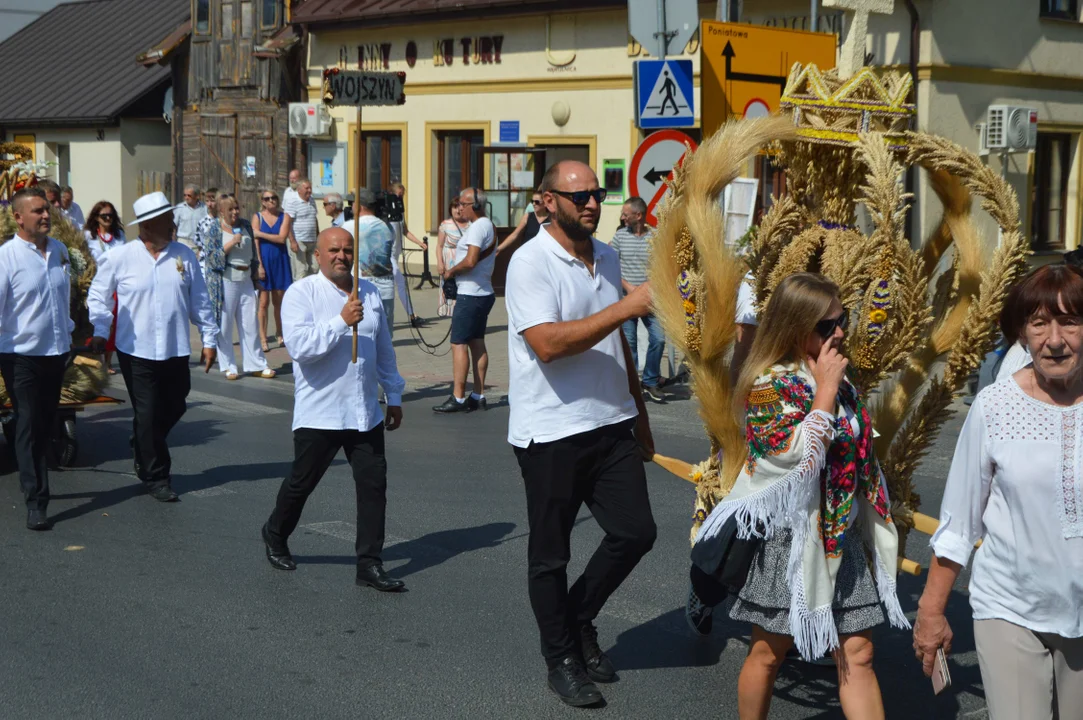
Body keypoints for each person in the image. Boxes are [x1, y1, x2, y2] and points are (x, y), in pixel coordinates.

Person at [691, 272, 908, 720]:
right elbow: (797, 459)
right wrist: (825, 391)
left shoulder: (839, 379)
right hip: (788, 543)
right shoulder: (771, 383)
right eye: (827, 326)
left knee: (859, 655)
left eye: (841, 320)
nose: (840, 333)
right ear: (794, 327)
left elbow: (856, 450)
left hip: (837, 538)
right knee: (768, 655)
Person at [504, 160, 657, 707]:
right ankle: (561, 658)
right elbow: (547, 344)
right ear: (548, 202)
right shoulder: (529, 263)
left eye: (599, 192)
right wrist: (625, 307)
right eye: (579, 196)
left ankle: (578, 618)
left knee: (636, 533)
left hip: (611, 421)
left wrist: (640, 415)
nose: (593, 202)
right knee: (550, 556)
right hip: (551, 431)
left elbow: (619, 346)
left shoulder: (609, 256)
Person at [913, 264, 1083, 720]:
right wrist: (931, 612)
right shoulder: (996, 406)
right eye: (1039, 323)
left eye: (1070, 321)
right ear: (1022, 333)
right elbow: (959, 521)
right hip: (1009, 605)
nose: (1054, 339)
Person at [261, 227, 406, 593]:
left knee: (373, 486)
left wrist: (394, 394)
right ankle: (275, 532)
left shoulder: (368, 291)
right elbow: (300, 348)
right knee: (302, 482)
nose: (342, 256)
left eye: (347, 249)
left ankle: (369, 563)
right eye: (334, 250)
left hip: (364, 412)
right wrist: (341, 320)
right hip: (321, 412)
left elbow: (383, 349)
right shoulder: (301, 293)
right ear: (319, 255)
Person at [88, 191, 217, 503]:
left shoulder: (183, 255)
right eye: (166, 219)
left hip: (175, 349)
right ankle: (157, 476)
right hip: (136, 351)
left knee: (174, 406)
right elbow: (98, 296)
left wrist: (210, 339)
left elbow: (199, 299)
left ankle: (142, 441)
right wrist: (101, 330)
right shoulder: (120, 256)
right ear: (147, 226)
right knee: (147, 414)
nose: (173, 223)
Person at [0, 187, 74, 531]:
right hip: (20, 356)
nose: (46, 216)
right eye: (37, 211)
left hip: (55, 353)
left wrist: (72, 337)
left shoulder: (60, 251)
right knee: (29, 422)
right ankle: (36, 499)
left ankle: (32, 479)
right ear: (18, 217)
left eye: (47, 210)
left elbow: (63, 299)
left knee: (44, 423)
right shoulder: (6, 258)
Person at [432, 187, 497, 413]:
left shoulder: (479, 227)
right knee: (476, 342)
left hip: (471, 293)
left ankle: (458, 397)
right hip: (481, 292)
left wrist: (450, 272)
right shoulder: (484, 225)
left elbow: (470, 261)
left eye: (463, 203)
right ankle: (477, 395)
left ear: (475, 206)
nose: (460, 207)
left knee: (458, 343)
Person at [204, 194, 274, 381]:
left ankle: (257, 364)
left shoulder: (245, 225)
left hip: (245, 280)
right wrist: (231, 243)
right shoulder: (214, 229)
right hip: (226, 280)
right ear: (221, 211)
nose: (235, 212)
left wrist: (256, 270)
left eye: (236, 208)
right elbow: (212, 259)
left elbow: (252, 253)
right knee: (225, 325)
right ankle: (228, 365)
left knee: (250, 323)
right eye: (230, 209)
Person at [611, 196, 666, 403]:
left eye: (626, 214)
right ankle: (633, 385)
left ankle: (650, 380)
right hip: (626, 298)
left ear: (638, 215)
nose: (623, 218)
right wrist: (629, 288)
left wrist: (648, 288)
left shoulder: (656, 237)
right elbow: (612, 266)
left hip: (651, 299)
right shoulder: (619, 237)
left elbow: (662, 266)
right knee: (630, 342)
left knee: (659, 338)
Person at [83, 201, 127, 374]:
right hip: (95, 283)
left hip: (116, 284)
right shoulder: (88, 236)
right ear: (96, 218)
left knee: (113, 322)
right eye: (104, 216)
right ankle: (96, 358)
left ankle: (107, 361)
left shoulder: (119, 235)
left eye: (110, 215)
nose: (108, 218)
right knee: (97, 318)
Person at [345, 189, 397, 328]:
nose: (351, 207)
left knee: (364, 332)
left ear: (359, 205)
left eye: (352, 203)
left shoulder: (352, 225)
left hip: (363, 287)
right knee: (385, 334)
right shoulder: (388, 227)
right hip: (386, 286)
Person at [252, 188, 292, 352]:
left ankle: (279, 332)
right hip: (264, 260)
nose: (271, 201)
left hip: (280, 260)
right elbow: (255, 243)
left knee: (279, 301)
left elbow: (282, 238)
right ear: (262, 202)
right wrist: (259, 265)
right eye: (267, 199)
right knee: (263, 302)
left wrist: (260, 233)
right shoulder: (257, 217)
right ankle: (262, 338)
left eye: (274, 197)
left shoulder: (285, 216)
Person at [388, 182, 428, 327]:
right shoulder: (386, 212)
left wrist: (419, 243)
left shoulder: (400, 212)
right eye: (398, 195)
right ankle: (413, 316)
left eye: (402, 195)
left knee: (394, 286)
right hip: (387, 256)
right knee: (401, 283)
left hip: (396, 254)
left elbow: (405, 231)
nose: (400, 199)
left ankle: (407, 316)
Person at [436, 199, 469, 317]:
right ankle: (450, 311)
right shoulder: (445, 224)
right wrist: (440, 263)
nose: (457, 210)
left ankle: (462, 310)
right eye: (454, 207)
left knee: (464, 285)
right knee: (450, 285)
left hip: (464, 259)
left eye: (459, 207)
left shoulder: (470, 224)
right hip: (449, 259)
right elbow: (439, 246)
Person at [283, 178, 317, 281]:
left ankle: (312, 292)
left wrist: (318, 235)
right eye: (307, 188)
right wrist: (292, 241)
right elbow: (288, 222)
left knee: (315, 268)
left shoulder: (312, 200)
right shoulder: (293, 201)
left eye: (310, 188)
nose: (309, 191)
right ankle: (299, 294)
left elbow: (314, 218)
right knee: (301, 271)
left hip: (312, 240)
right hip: (299, 240)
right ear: (299, 190)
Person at [495, 186, 548, 253]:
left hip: (542, 255)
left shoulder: (551, 219)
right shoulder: (528, 216)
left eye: (537, 202)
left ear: (545, 203)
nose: (534, 204)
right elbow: (515, 234)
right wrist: (499, 249)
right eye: (532, 201)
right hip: (527, 253)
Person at [173, 184, 207, 258]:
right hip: (183, 242)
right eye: (185, 195)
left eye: (189, 195)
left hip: (198, 244)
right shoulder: (179, 208)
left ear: (196, 196)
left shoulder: (204, 208)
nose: (186, 197)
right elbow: (173, 227)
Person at [192, 187, 219, 267]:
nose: (209, 204)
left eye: (212, 201)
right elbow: (199, 245)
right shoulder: (202, 222)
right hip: (205, 262)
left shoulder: (223, 221)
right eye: (207, 201)